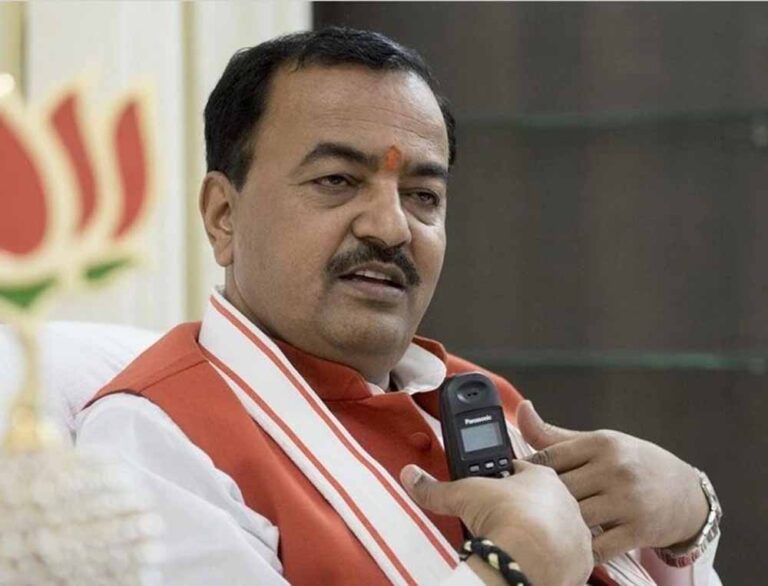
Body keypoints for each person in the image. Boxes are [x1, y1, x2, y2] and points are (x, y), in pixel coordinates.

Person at [76, 28, 721, 586]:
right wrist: (508, 571)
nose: (390, 227)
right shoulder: (148, 445)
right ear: (223, 215)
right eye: (337, 180)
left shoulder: (475, 396)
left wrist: (689, 516)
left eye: (422, 195)